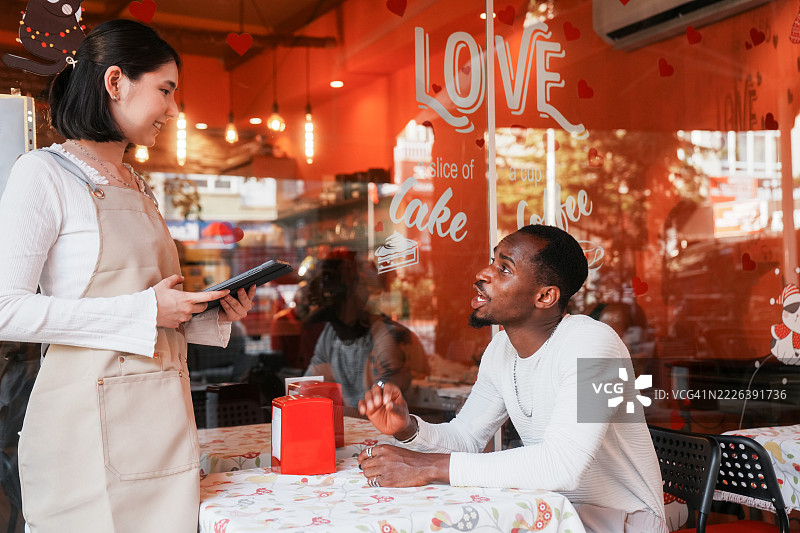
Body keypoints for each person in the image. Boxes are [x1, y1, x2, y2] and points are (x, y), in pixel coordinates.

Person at [0, 20, 256, 532]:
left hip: (162, 425)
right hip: (84, 436)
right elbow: (6, 310)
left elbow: (151, 311)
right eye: (165, 90)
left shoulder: (140, 186)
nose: (174, 109)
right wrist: (145, 310)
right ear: (115, 82)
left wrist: (206, 313)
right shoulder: (44, 173)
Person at [356, 224, 667, 533]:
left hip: (624, 521)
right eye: (493, 261)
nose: (484, 273)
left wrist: (425, 467)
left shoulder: (593, 344)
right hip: (552, 514)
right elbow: (466, 438)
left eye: (504, 268)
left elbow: (562, 466)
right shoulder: (501, 348)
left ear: (545, 296)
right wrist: (408, 429)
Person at [304, 250, 426, 407]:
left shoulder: (386, 335)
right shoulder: (330, 334)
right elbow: (308, 387)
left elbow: (383, 400)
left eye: (326, 280)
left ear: (351, 286)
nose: (312, 291)